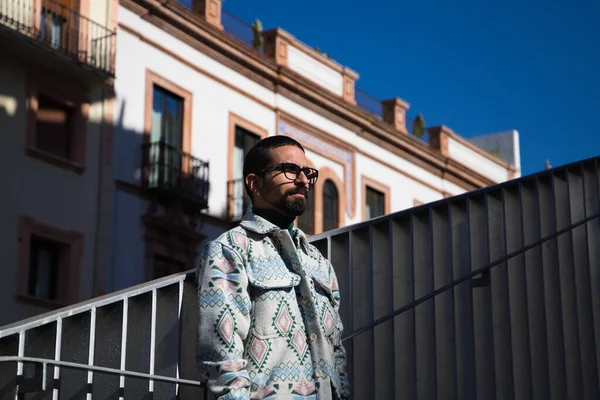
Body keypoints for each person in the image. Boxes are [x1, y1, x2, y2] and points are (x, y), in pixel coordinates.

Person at [196, 135, 350, 400]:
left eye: (307, 172)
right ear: (254, 183)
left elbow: (337, 355)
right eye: (290, 170)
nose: (303, 180)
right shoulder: (230, 250)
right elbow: (221, 360)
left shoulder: (319, 262)